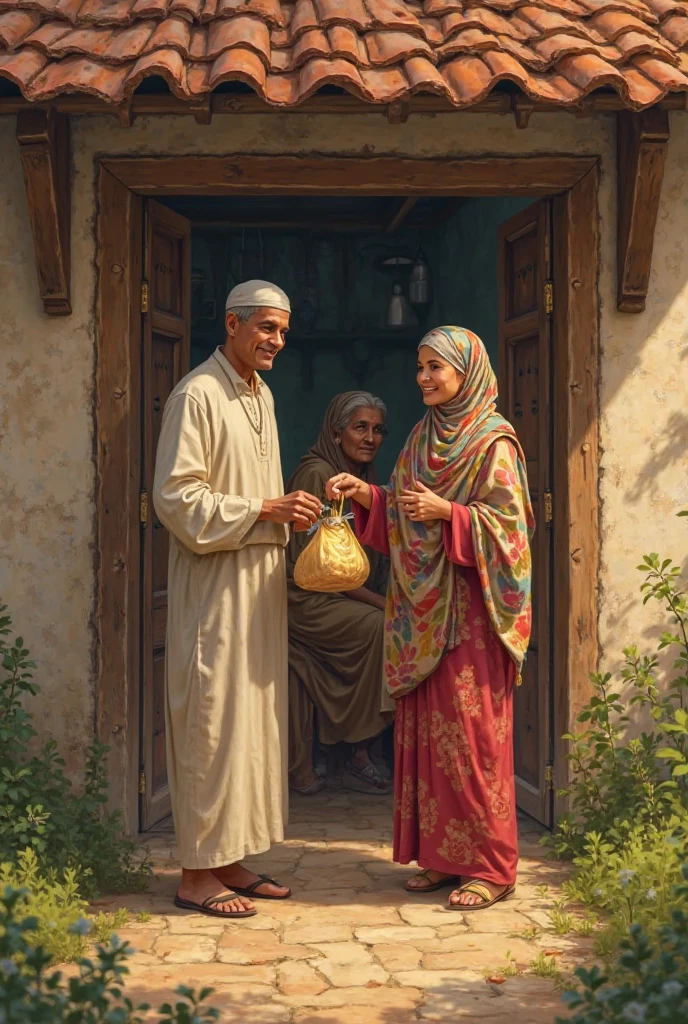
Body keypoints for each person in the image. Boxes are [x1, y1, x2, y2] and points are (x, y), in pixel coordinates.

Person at [326, 327, 533, 911]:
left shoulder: (495, 443)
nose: (422, 377)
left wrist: (451, 513)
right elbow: (403, 511)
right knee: (428, 736)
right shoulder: (421, 437)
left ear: (466, 371)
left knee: (472, 740)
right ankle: (444, 859)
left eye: (434, 368)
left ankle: (492, 867)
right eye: (419, 367)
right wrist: (369, 497)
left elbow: (512, 532)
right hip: (421, 615)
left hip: (472, 615)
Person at [153, 280, 322, 920]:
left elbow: (258, 492)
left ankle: (229, 858)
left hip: (257, 589)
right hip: (213, 589)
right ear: (232, 324)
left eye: (283, 330)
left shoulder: (262, 394)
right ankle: (196, 874)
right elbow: (174, 498)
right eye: (266, 329)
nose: (277, 340)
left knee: (248, 724)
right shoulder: (196, 394)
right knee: (211, 720)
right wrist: (264, 507)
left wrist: (288, 513)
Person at [286, 392, 393, 797]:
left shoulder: (359, 480)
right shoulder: (319, 475)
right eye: (359, 427)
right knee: (382, 628)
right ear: (336, 432)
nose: (370, 437)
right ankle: (358, 754)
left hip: (341, 596)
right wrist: (384, 604)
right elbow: (326, 571)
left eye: (378, 429)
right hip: (307, 598)